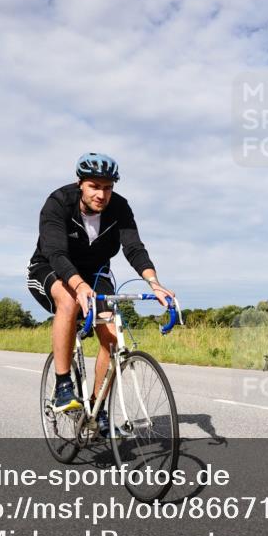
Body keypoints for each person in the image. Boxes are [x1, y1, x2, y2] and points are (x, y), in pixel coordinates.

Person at [27, 153, 174, 435]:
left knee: (110, 335)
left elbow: (134, 248)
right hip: (51, 267)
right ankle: (62, 385)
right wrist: (79, 286)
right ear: (80, 183)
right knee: (68, 301)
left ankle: (97, 410)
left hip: (96, 273)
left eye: (108, 187)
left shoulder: (119, 208)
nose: (101, 194)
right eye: (94, 186)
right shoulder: (58, 203)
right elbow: (56, 252)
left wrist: (154, 283)